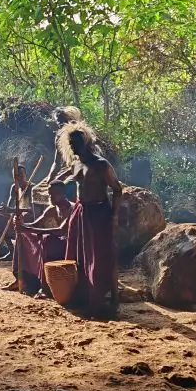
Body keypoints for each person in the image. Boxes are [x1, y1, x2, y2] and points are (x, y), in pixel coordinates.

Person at [54, 121, 123, 316]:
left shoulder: (101, 164)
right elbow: (68, 179)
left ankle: (114, 301)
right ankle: (85, 295)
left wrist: (114, 216)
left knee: (104, 257)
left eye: (77, 143)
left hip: (99, 213)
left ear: (86, 143)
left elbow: (117, 189)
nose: (75, 147)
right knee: (80, 256)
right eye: (72, 144)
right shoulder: (75, 164)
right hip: (81, 212)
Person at [1, 181, 74, 295]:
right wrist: (22, 225)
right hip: (55, 242)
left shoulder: (72, 209)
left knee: (48, 239)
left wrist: (30, 229)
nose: (50, 197)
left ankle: (45, 286)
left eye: (52, 195)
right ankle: (21, 279)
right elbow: (35, 225)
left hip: (70, 246)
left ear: (61, 194)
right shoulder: (51, 209)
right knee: (23, 235)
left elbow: (61, 230)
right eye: (49, 194)